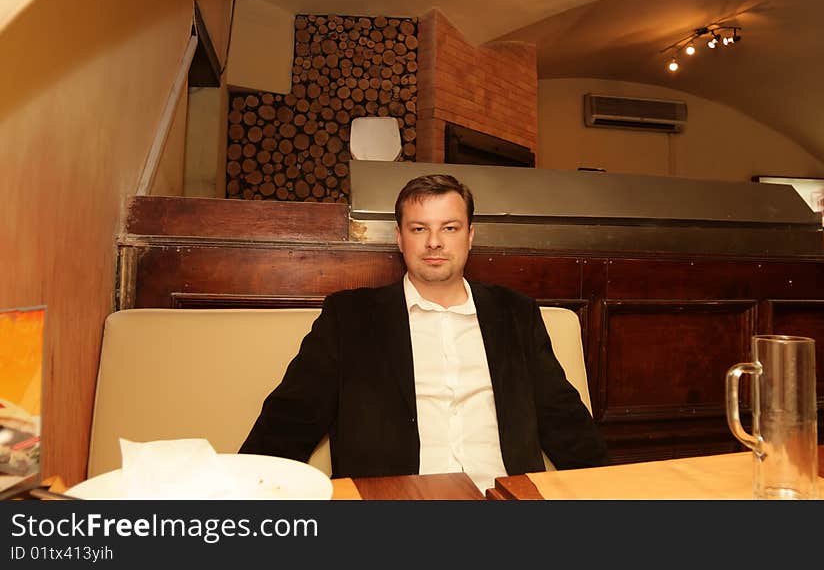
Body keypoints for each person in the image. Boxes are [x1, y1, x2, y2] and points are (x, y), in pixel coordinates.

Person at [240, 174, 607, 491]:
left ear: (470, 235)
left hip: (503, 502)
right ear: (400, 237)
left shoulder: (515, 313)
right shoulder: (350, 317)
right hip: (396, 510)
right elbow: (290, 419)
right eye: (420, 229)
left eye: (449, 228)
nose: (435, 242)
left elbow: (564, 420)